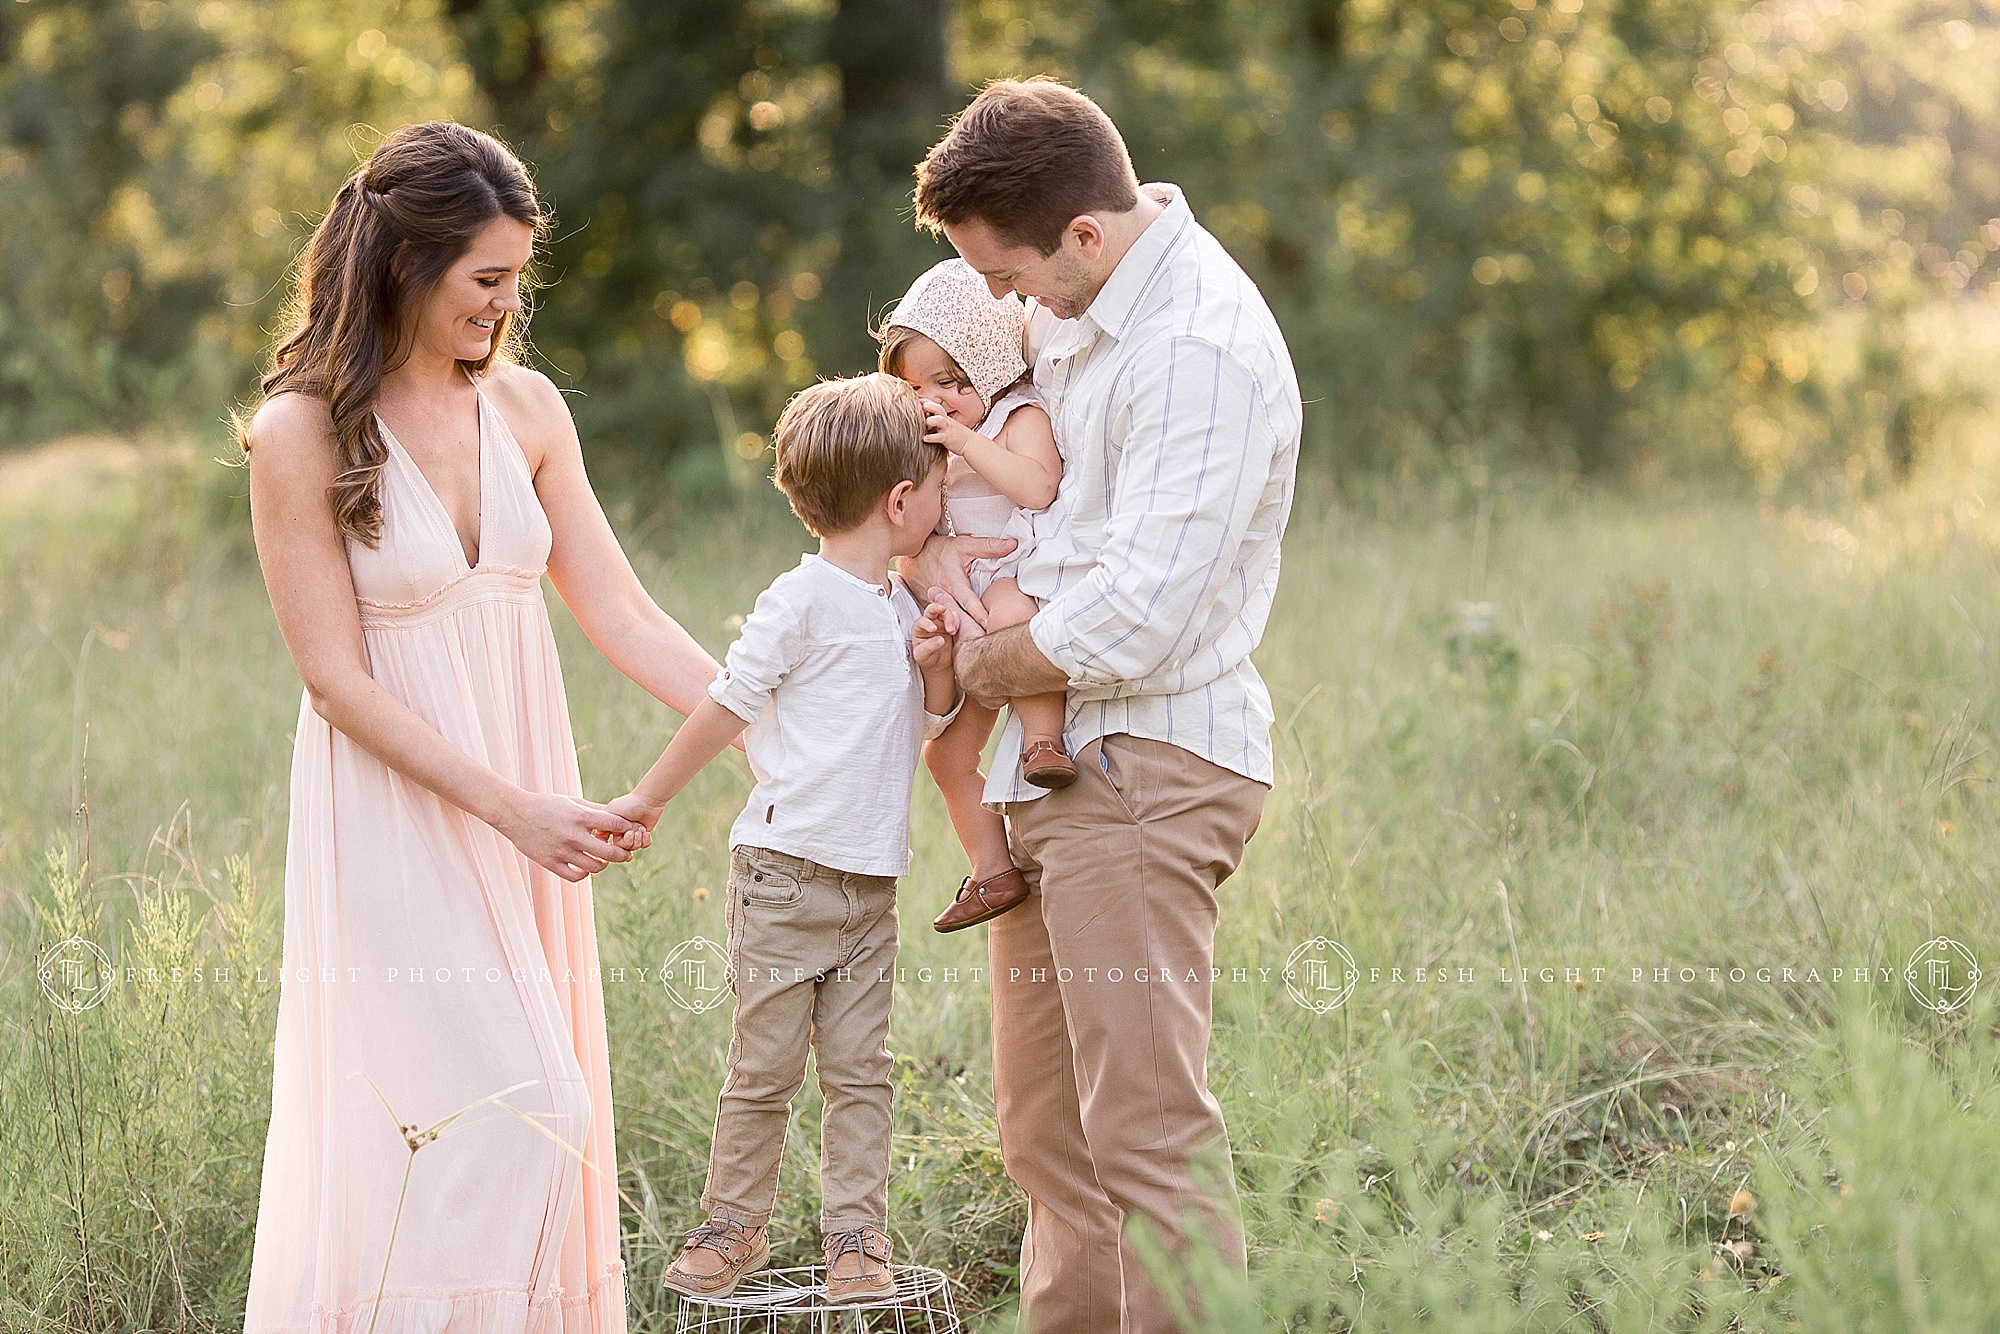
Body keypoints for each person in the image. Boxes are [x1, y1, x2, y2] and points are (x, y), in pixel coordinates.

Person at [240, 121, 721, 1333]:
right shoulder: (303, 431)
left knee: (516, 1135)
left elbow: (619, 608)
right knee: (514, 1109)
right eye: (484, 280)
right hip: (402, 821)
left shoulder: (526, 408)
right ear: (405, 265)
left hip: (525, 814)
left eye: (516, 278)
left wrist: (765, 715)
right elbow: (335, 681)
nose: (505, 306)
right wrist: (518, 814)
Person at [904, 79, 1303, 1333]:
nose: (1007, 305)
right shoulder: (1087, 304)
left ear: (1082, 233)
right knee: (1045, 1137)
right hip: (1052, 768)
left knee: (1140, 1136)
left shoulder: (1196, 344)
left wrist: (975, 667)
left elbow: (1139, 618)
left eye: (1010, 275)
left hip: (1141, 764)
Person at [605, 374, 963, 1304]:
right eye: (938, 483)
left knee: (860, 1074)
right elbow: (726, 702)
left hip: (870, 889)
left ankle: (857, 1240)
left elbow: (922, 733)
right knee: (764, 1069)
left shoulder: (896, 611)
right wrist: (648, 797)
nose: (945, 498)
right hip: (783, 878)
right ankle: (732, 1228)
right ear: (900, 501)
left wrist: (934, 671)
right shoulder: (800, 600)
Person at [875, 258, 1065, 934]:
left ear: (988, 366)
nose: (933, 400)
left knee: (1016, 621)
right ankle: (991, 867)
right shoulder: (919, 439)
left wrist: (962, 442)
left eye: (950, 382)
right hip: (954, 607)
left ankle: (1045, 741)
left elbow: (1037, 487)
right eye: (914, 386)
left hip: (1011, 579)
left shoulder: (1018, 415)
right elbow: (894, 524)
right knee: (945, 755)